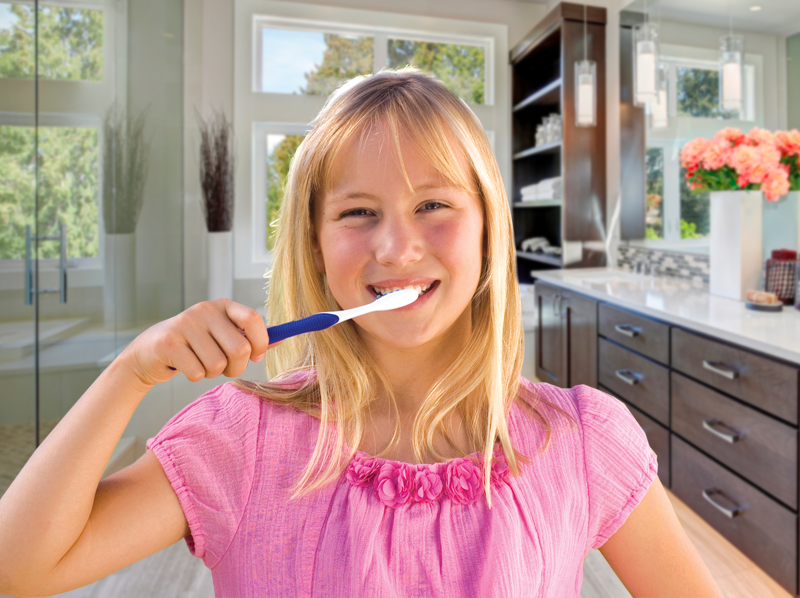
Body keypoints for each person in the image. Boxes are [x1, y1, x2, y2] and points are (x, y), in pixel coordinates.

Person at [0, 67, 723, 598]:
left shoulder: (585, 441)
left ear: (488, 229)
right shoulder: (240, 440)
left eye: (434, 203)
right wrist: (130, 372)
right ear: (314, 246)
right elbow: (20, 566)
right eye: (357, 213)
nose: (396, 248)